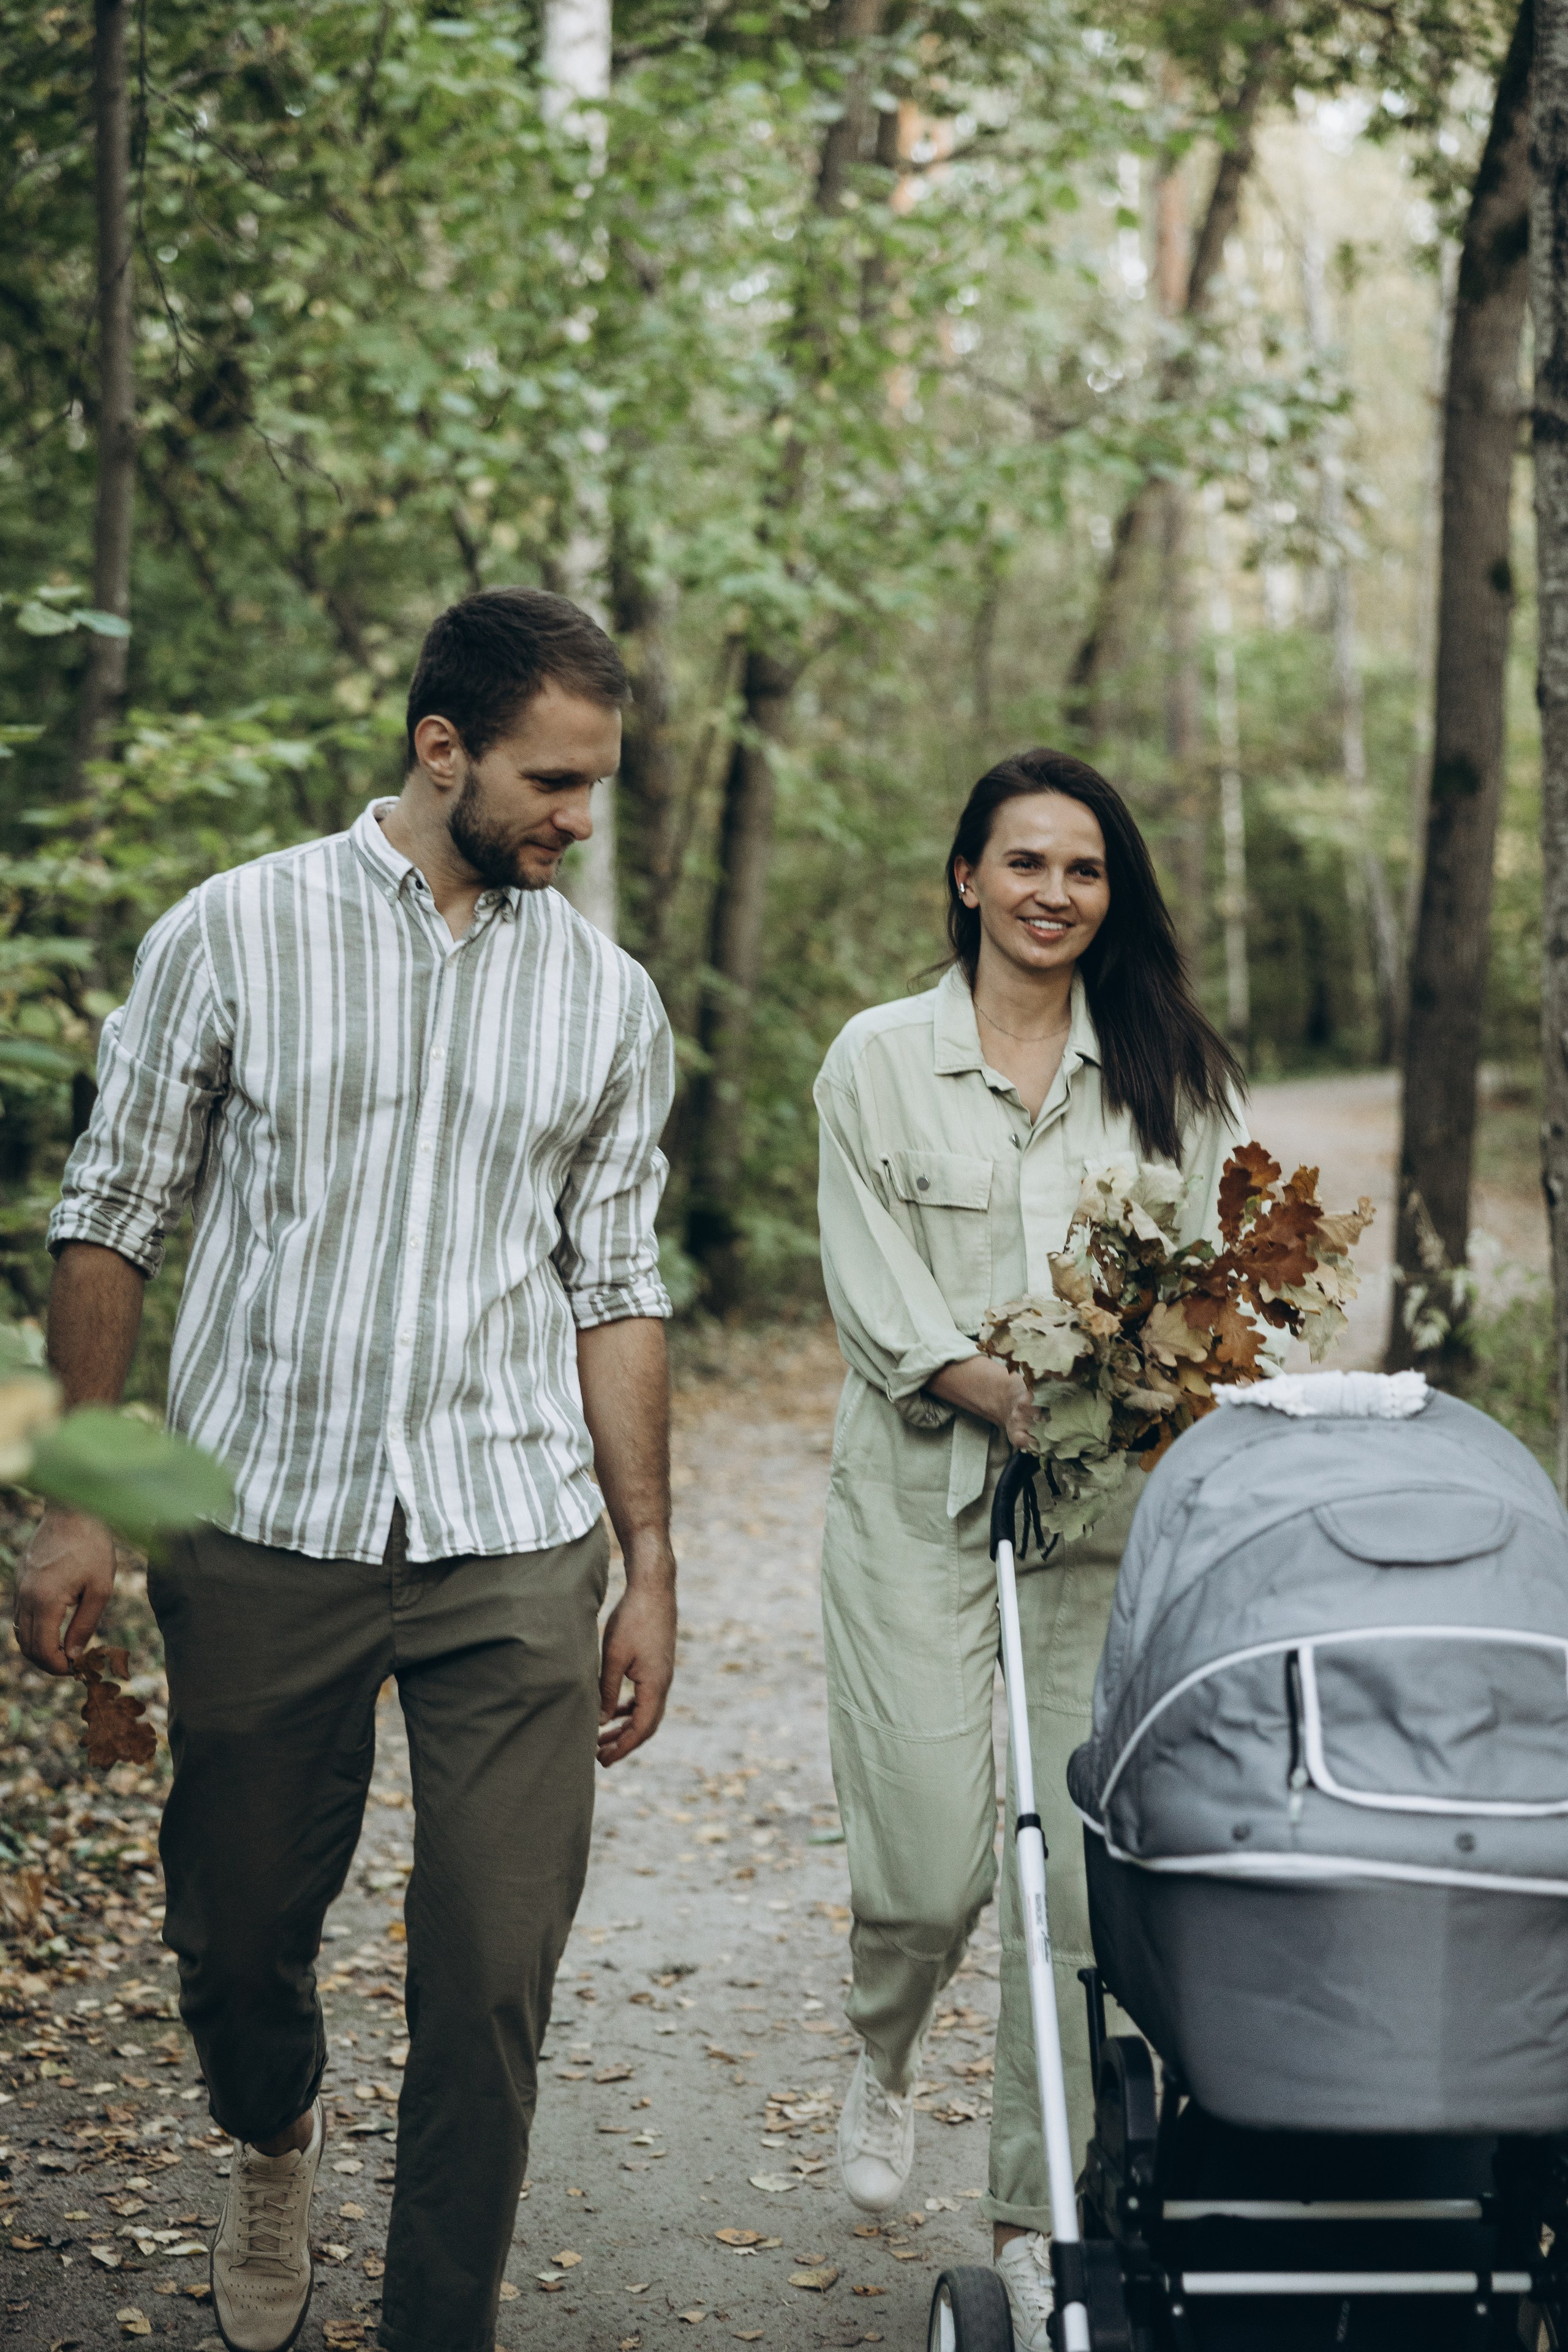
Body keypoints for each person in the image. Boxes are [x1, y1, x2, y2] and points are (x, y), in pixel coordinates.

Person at [12, 588, 679, 2352]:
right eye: (551, 780)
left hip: (510, 1536)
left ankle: (432, 2325)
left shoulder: (607, 1000)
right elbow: (111, 1217)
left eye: (597, 785)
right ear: (438, 748)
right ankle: (272, 2126)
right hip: (263, 1521)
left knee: (489, 1981)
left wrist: (652, 1560)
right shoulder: (233, 934)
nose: (576, 820)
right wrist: (77, 1496)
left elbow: (615, 1288)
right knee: (236, 1942)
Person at [814, 747, 1255, 2351]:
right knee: (932, 1860)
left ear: (1109, 893)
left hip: (1108, 1525)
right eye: (1024, 864)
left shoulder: (1170, 1073)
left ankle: (1032, 2219)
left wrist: (1179, 1382)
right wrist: (989, 1383)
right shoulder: (875, 1063)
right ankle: (881, 2054)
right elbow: (876, 1291)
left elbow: (1224, 1286)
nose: (1054, 894)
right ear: (966, 879)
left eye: (1083, 870)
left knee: (1075, 1890)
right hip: (921, 1502)